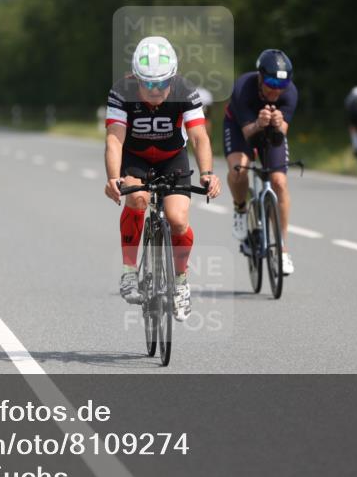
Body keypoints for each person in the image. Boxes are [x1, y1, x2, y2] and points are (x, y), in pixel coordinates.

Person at [104, 36, 221, 321]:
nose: (155, 90)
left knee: (178, 220)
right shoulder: (122, 91)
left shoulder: (184, 90)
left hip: (172, 158)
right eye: (148, 84)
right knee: (137, 198)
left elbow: (198, 136)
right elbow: (115, 140)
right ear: (136, 78)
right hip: (136, 157)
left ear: (173, 77)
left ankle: (181, 282)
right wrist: (113, 178)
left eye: (162, 83)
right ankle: (129, 272)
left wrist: (207, 173)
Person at [223, 49, 298, 275]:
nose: (276, 90)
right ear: (260, 77)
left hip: (270, 130)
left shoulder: (290, 93)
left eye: (281, 85)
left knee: (279, 182)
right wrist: (258, 123)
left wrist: (278, 124)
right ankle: (240, 208)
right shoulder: (243, 88)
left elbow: (280, 135)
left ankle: (282, 249)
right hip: (240, 127)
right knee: (239, 170)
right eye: (271, 83)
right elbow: (249, 134)